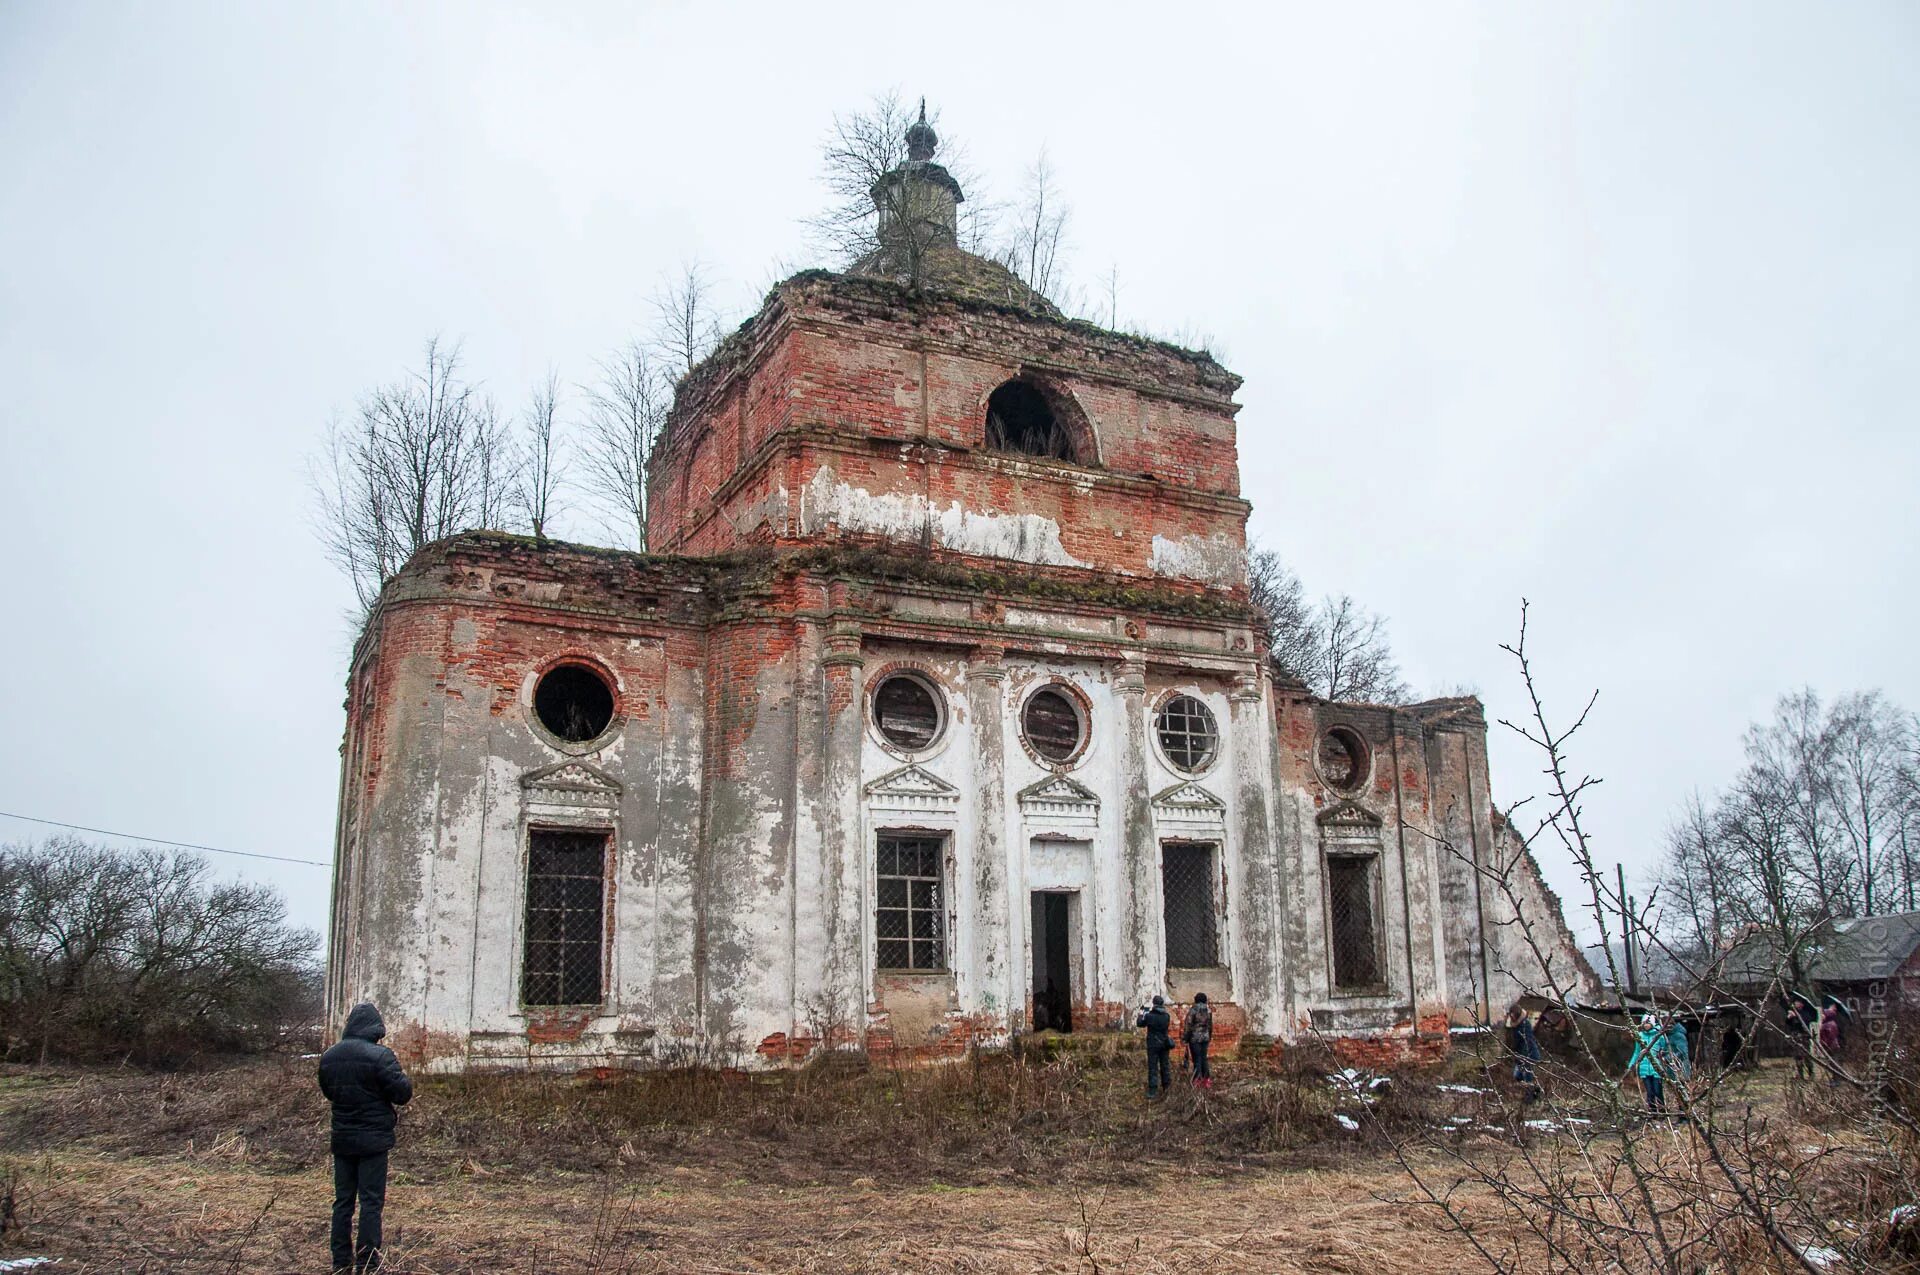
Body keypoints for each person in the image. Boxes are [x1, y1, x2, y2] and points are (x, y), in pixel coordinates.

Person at [319, 1002, 414, 1273]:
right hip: (373, 1141)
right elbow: (402, 1093)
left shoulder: (329, 1056)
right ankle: (368, 1263)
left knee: (343, 1202)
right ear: (375, 1028)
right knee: (371, 1202)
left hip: (343, 1138)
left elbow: (328, 1091)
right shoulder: (381, 1056)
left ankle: (340, 1263)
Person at [1627, 1014, 1669, 1115]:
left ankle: (1663, 1112)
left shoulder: (1659, 1036)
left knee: (1658, 1091)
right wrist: (1631, 1064)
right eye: (1645, 1023)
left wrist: (1663, 1059)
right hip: (1644, 1069)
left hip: (1657, 1069)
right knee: (1649, 1093)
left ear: (1653, 1024)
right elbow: (1637, 1052)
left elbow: (1665, 1050)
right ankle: (1653, 1113)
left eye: (1648, 1023)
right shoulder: (1640, 1036)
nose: (1646, 1025)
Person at [1136, 995, 1173, 1098]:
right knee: (1165, 1065)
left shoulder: (1149, 1016)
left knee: (1153, 1067)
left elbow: (1140, 1024)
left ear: (1154, 1004)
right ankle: (1167, 1087)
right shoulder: (1166, 1016)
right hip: (1164, 1043)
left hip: (1153, 1044)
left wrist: (1141, 1014)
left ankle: (1153, 1090)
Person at [1506, 1006, 1542, 1097]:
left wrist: (1524, 1058)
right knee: (1518, 1076)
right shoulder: (1516, 1025)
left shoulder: (1525, 1025)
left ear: (1517, 1014)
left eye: (1513, 1015)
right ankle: (1537, 1090)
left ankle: (1529, 1098)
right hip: (1520, 1055)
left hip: (1529, 1055)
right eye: (1511, 1014)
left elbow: (1527, 1042)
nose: (1511, 1017)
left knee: (1527, 1077)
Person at [1182, 992, 1215, 1090]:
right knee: (1204, 1058)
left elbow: (1188, 1025)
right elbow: (1210, 1026)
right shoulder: (1208, 1010)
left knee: (1196, 1059)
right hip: (1205, 1038)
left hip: (1195, 1039)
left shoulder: (1193, 1010)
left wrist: (1185, 1038)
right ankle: (1207, 1080)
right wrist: (1209, 1036)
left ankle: (1197, 1080)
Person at [1783, 994, 1816, 1080]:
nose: (1795, 1004)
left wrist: (1796, 1016)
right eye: (1795, 1002)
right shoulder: (1793, 1011)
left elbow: (1804, 1023)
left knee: (1807, 1056)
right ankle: (1800, 1075)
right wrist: (1789, 1017)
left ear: (1802, 1004)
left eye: (1797, 1002)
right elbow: (1788, 1024)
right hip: (1795, 1037)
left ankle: (1811, 1073)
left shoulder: (1805, 1013)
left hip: (1804, 1037)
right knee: (1797, 1056)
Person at [1664, 1015, 1693, 1085]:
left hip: (1680, 1068)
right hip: (1672, 1067)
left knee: (1682, 1090)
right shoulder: (1668, 1035)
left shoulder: (1678, 1035)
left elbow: (1682, 1052)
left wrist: (1668, 1058)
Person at [1818, 1004, 1842, 1083]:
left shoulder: (1829, 1025)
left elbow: (1830, 1037)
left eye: (1823, 1015)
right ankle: (1835, 1078)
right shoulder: (1829, 1024)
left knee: (1834, 1063)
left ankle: (1837, 1080)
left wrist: (1825, 1044)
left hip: (1832, 1046)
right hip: (1831, 1046)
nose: (1822, 1016)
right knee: (1832, 1063)